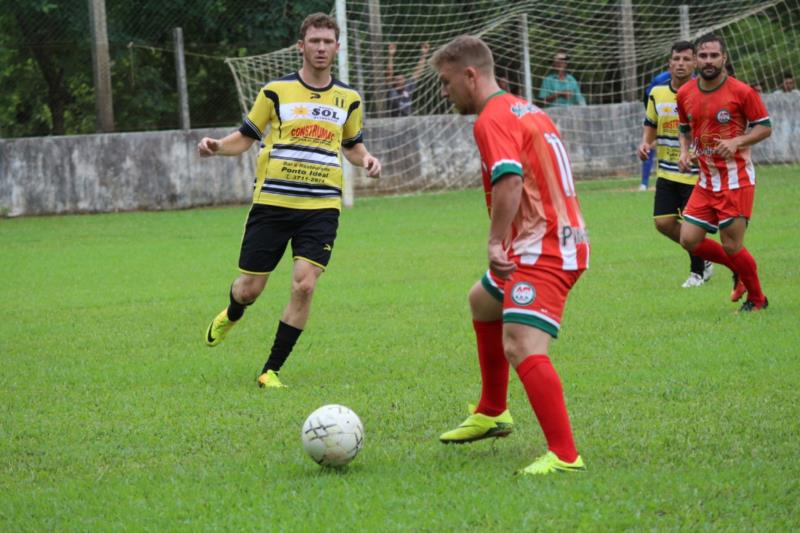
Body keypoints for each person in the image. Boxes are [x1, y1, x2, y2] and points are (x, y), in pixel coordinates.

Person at [431, 36, 589, 475]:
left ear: (470, 75)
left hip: (544, 248)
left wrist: (496, 241)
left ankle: (565, 455)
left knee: (521, 343)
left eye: (447, 83)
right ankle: (493, 410)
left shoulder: (491, 119)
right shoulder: (526, 108)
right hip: (558, 236)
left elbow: (510, 180)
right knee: (483, 300)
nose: (445, 93)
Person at [197, 13, 382, 387]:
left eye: (327, 42)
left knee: (304, 284)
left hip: (321, 208)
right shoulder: (275, 92)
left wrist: (366, 159)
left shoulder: (349, 98)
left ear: (337, 48)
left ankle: (271, 370)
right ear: (301, 46)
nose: (320, 48)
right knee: (250, 289)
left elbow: (351, 145)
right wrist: (217, 147)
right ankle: (233, 312)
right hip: (273, 204)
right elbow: (245, 137)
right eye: (314, 41)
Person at [676, 34, 772, 312]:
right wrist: (685, 152)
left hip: (736, 180)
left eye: (713, 56)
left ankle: (757, 299)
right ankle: (739, 270)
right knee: (689, 240)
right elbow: (684, 129)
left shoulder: (742, 92)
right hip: (706, 181)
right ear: (696, 60)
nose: (708, 61)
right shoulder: (685, 93)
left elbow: (765, 127)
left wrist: (737, 141)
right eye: (703, 56)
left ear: (724, 58)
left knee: (732, 244)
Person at [637, 41, 713, 288]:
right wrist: (645, 144)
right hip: (667, 172)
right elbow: (650, 124)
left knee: (692, 227)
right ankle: (707, 255)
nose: (681, 64)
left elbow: (710, 131)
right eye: (676, 59)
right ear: (669, 63)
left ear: (695, 64)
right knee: (663, 223)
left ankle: (697, 273)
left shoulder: (702, 93)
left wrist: (695, 153)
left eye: (686, 59)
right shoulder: (657, 93)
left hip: (694, 174)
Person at [639, 69, 672, 191]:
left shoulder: (694, 79)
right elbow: (647, 95)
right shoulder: (660, 80)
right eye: (677, 59)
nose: (681, 63)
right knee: (649, 146)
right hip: (661, 115)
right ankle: (644, 183)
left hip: (680, 119)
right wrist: (651, 115)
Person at [387, 42, 430, 116]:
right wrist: (391, 56)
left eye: (401, 79)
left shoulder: (408, 87)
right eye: (397, 80)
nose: (400, 81)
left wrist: (424, 55)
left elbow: (417, 73)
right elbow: (389, 74)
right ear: (394, 81)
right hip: (394, 122)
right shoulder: (391, 89)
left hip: (409, 121)